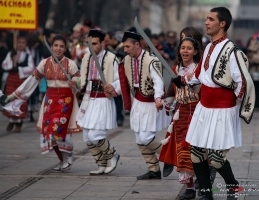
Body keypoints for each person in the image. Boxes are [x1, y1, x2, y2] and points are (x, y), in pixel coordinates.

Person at [172, 7, 255, 200]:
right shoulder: (208, 47)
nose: (206, 22)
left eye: (210, 19)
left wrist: (235, 106)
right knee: (196, 154)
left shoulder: (232, 51)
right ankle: (207, 195)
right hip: (204, 108)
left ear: (222, 23)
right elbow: (201, 74)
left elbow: (243, 81)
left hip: (222, 110)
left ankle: (233, 186)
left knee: (217, 159)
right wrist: (183, 80)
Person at [5, 35, 81, 172]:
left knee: (59, 130)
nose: (58, 48)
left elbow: (80, 83)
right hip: (50, 101)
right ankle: (62, 159)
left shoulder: (71, 64)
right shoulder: (44, 63)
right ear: (51, 47)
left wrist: (75, 82)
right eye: (56, 45)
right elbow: (32, 80)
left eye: (61, 46)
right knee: (49, 133)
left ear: (65, 49)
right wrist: (13, 95)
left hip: (66, 100)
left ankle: (68, 156)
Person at [119, 31, 170, 180]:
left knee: (146, 137)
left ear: (137, 44)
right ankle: (153, 170)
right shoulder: (127, 60)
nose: (125, 50)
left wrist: (158, 98)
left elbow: (158, 81)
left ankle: (170, 157)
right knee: (139, 139)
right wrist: (113, 88)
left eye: (128, 46)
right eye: (124, 47)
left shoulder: (151, 60)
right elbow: (123, 81)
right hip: (138, 103)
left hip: (151, 103)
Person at [159, 28, 203, 200]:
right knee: (182, 150)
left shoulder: (199, 69)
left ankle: (203, 184)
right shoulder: (175, 69)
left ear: (196, 51)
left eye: (189, 48)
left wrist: (186, 81)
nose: (185, 51)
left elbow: (201, 88)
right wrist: (166, 102)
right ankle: (190, 188)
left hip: (197, 112)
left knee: (198, 150)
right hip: (180, 114)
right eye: (183, 48)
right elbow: (171, 91)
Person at [76, 29, 120, 175]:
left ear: (103, 43)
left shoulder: (111, 58)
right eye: (89, 43)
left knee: (96, 135)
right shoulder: (86, 57)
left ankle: (112, 155)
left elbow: (120, 80)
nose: (91, 47)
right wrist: (75, 83)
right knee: (87, 136)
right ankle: (101, 164)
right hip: (89, 100)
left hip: (103, 100)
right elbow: (83, 79)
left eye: (94, 44)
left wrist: (112, 87)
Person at [2, 35, 35, 132]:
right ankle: (11, 120)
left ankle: (18, 124)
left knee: (20, 101)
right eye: (19, 42)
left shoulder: (28, 56)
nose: (21, 44)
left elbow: (31, 68)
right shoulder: (11, 53)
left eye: (23, 43)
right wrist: (11, 62)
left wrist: (19, 69)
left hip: (22, 81)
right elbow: (4, 64)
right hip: (12, 80)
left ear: (26, 45)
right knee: (10, 99)